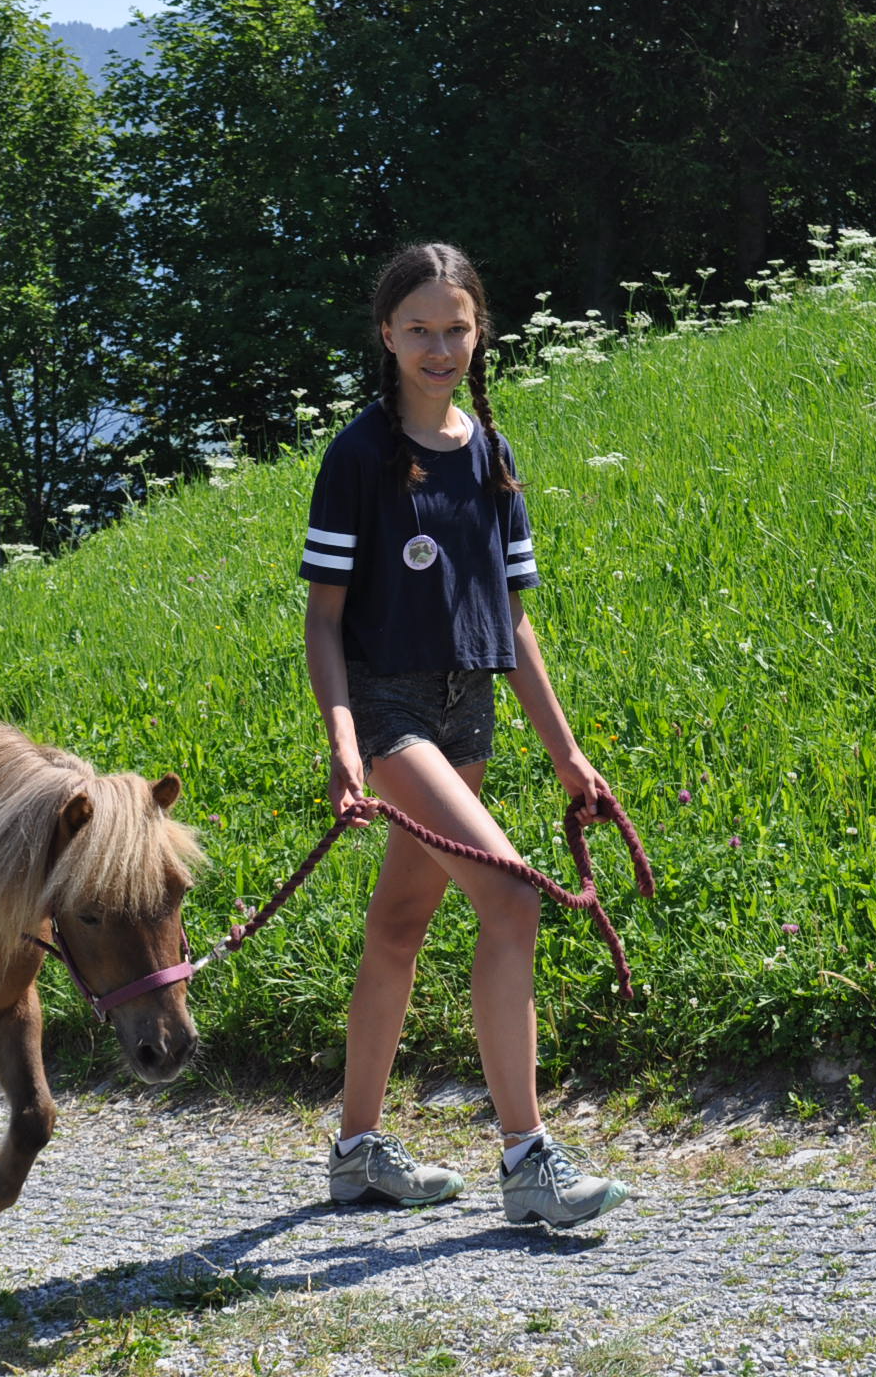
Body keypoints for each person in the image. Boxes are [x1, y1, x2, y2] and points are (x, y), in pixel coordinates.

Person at [299, 243, 629, 1227]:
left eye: (455, 328)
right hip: (392, 717)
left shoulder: (492, 455)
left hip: (465, 713)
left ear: (478, 330)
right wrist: (343, 740)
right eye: (417, 330)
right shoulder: (356, 457)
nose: (437, 347)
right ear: (385, 335)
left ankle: (356, 1151)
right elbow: (322, 619)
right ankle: (527, 1158)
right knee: (512, 898)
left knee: (398, 927)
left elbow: (513, 619)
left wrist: (566, 750)